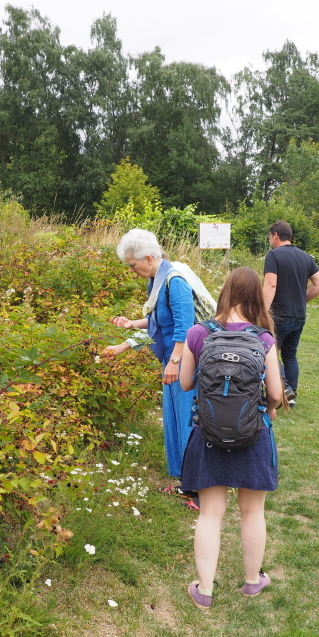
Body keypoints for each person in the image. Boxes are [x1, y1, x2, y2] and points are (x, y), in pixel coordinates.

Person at [178, 267, 284, 609]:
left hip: (207, 433)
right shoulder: (263, 338)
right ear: (256, 297)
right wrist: (269, 410)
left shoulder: (198, 332)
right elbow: (276, 394)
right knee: (252, 511)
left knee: (210, 514)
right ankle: (252, 582)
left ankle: (204, 591)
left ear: (224, 292)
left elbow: (185, 383)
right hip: (253, 434)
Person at [103, 228, 198, 482]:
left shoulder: (174, 281)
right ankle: (182, 479)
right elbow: (158, 322)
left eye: (132, 265)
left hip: (186, 363)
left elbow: (186, 328)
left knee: (187, 420)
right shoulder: (156, 280)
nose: (131, 270)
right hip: (171, 361)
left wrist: (175, 363)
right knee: (173, 419)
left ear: (147, 259)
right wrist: (131, 327)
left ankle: (196, 484)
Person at [262, 220, 319, 406]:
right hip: (299, 315)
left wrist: (262, 310)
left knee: (268, 351)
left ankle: (285, 389)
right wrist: (302, 300)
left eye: (270, 237)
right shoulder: (305, 256)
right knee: (290, 355)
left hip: (279, 314)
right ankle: (291, 397)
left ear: (276, 235)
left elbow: (270, 284)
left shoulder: (273, 255)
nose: (269, 240)